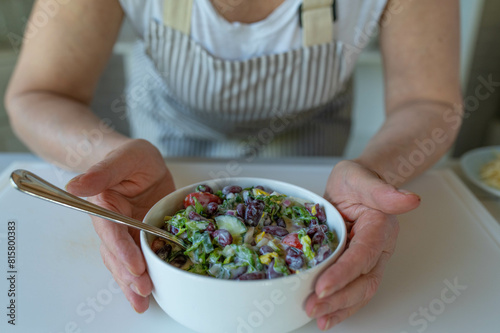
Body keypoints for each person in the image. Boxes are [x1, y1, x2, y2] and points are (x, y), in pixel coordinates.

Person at [5, 0, 462, 330]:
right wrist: (104, 159)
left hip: (318, 168)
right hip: (162, 162)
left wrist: (376, 174)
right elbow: (38, 94)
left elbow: (430, 103)